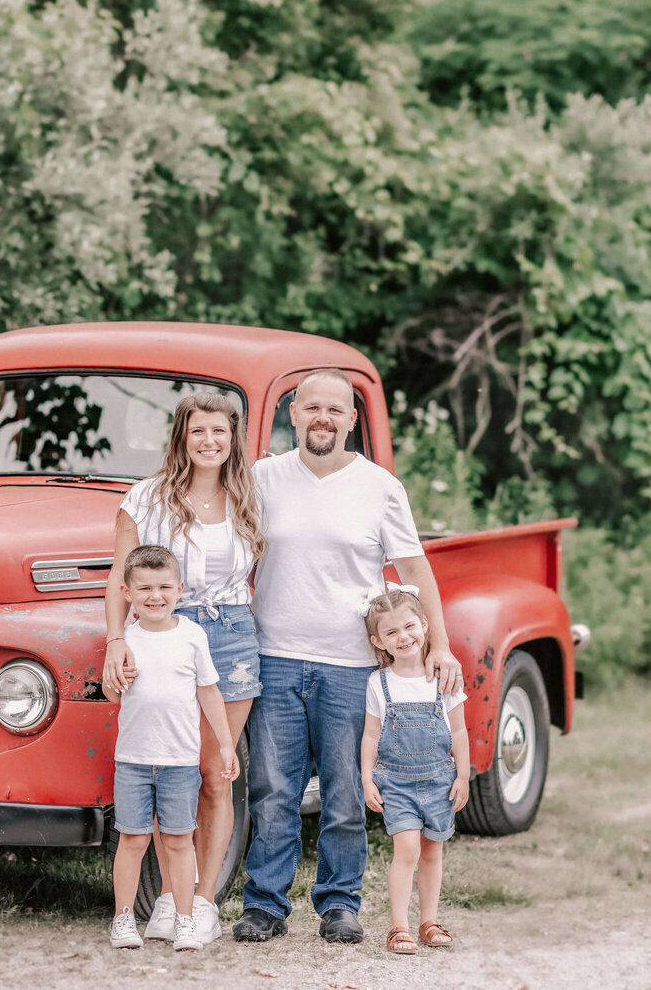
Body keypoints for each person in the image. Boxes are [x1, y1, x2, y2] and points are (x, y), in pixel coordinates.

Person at [234, 368, 463, 946]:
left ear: (352, 419)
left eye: (335, 410)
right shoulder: (263, 477)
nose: (323, 419)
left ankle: (340, 904)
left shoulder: (380, 486)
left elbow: (414, 571)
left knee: (344, 793)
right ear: (293, 412)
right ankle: (265, 904)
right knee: (272, 791)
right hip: (275, 654)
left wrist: (439, 642)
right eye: (312, 408)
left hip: (350, 665)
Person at [101, 393, 265, 944]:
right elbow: (118, 577)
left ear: (232, 437)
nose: (209, 441)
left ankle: (202, 899)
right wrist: (116, 640)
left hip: (233, 633)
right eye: (198, 431)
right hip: (162, 632)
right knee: (172, 763)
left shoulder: (248, 496)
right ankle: (168, 897)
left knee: (216, 770)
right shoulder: (146, 498)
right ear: (182, 436)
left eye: (219, 431)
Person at [105, 545, 240, 953]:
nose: (155, 596)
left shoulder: (191, 635)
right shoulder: (123, 640)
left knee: (180, 840)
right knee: (132, 839)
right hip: (133, 759)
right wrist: (118, 680)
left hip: (180, 760)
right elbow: (112, 695)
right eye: (144, 587)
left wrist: (226, 744)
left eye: (164, 586)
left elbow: (209, 692)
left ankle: (185, 920)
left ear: (179, 589)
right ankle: (123, 919)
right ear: (127, 592)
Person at [359, 587, 470, 954]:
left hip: (440, 779)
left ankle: (429, 921)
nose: (403, 637)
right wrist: (367, 778)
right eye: (392, 633)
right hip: (397, 782)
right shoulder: (380, 682)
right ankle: (398, 926)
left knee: (432, 852)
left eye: (409, 627)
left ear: (425, 625)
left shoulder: (445, 678)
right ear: (379, 641)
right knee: (406, 849)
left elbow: (458, 730)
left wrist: (463, 776)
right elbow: (371, 734)